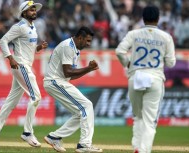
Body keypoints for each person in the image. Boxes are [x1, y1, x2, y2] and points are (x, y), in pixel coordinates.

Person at [0, 0, 48, 148]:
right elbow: (3, 41)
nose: (34, 11)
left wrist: (38, 48)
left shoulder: (32, 27)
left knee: (11, 102)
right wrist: (10, 58)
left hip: (25, 64)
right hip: (20, 65)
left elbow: (26, 47)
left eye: (34, 9)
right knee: (36, 96)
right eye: (31, 10)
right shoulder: (19, 26)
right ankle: (27, 133)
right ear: (24, 12)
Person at [115, 5, 176, 153]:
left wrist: (128, 64)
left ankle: (136, 147)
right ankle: (142, 150)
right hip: (155, 78)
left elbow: (119, 52)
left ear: (143, 18)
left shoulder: (134, 34)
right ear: (158, 19)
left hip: (135, 77)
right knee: (150, 121)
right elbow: (171, 63)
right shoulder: (166, 37)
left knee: (138, 117)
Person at [43, 26, 103, 153]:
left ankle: (54, 137)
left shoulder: (75, 49)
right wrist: (88, 68)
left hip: (58, 82)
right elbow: (67, 72)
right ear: (80, 38)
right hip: (55, 81)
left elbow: (71, 75)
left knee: (80, 113)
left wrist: (89, 69)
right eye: (87, 41)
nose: (88, 44)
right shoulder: (68, 47)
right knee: (87, 105)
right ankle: (84, 145)